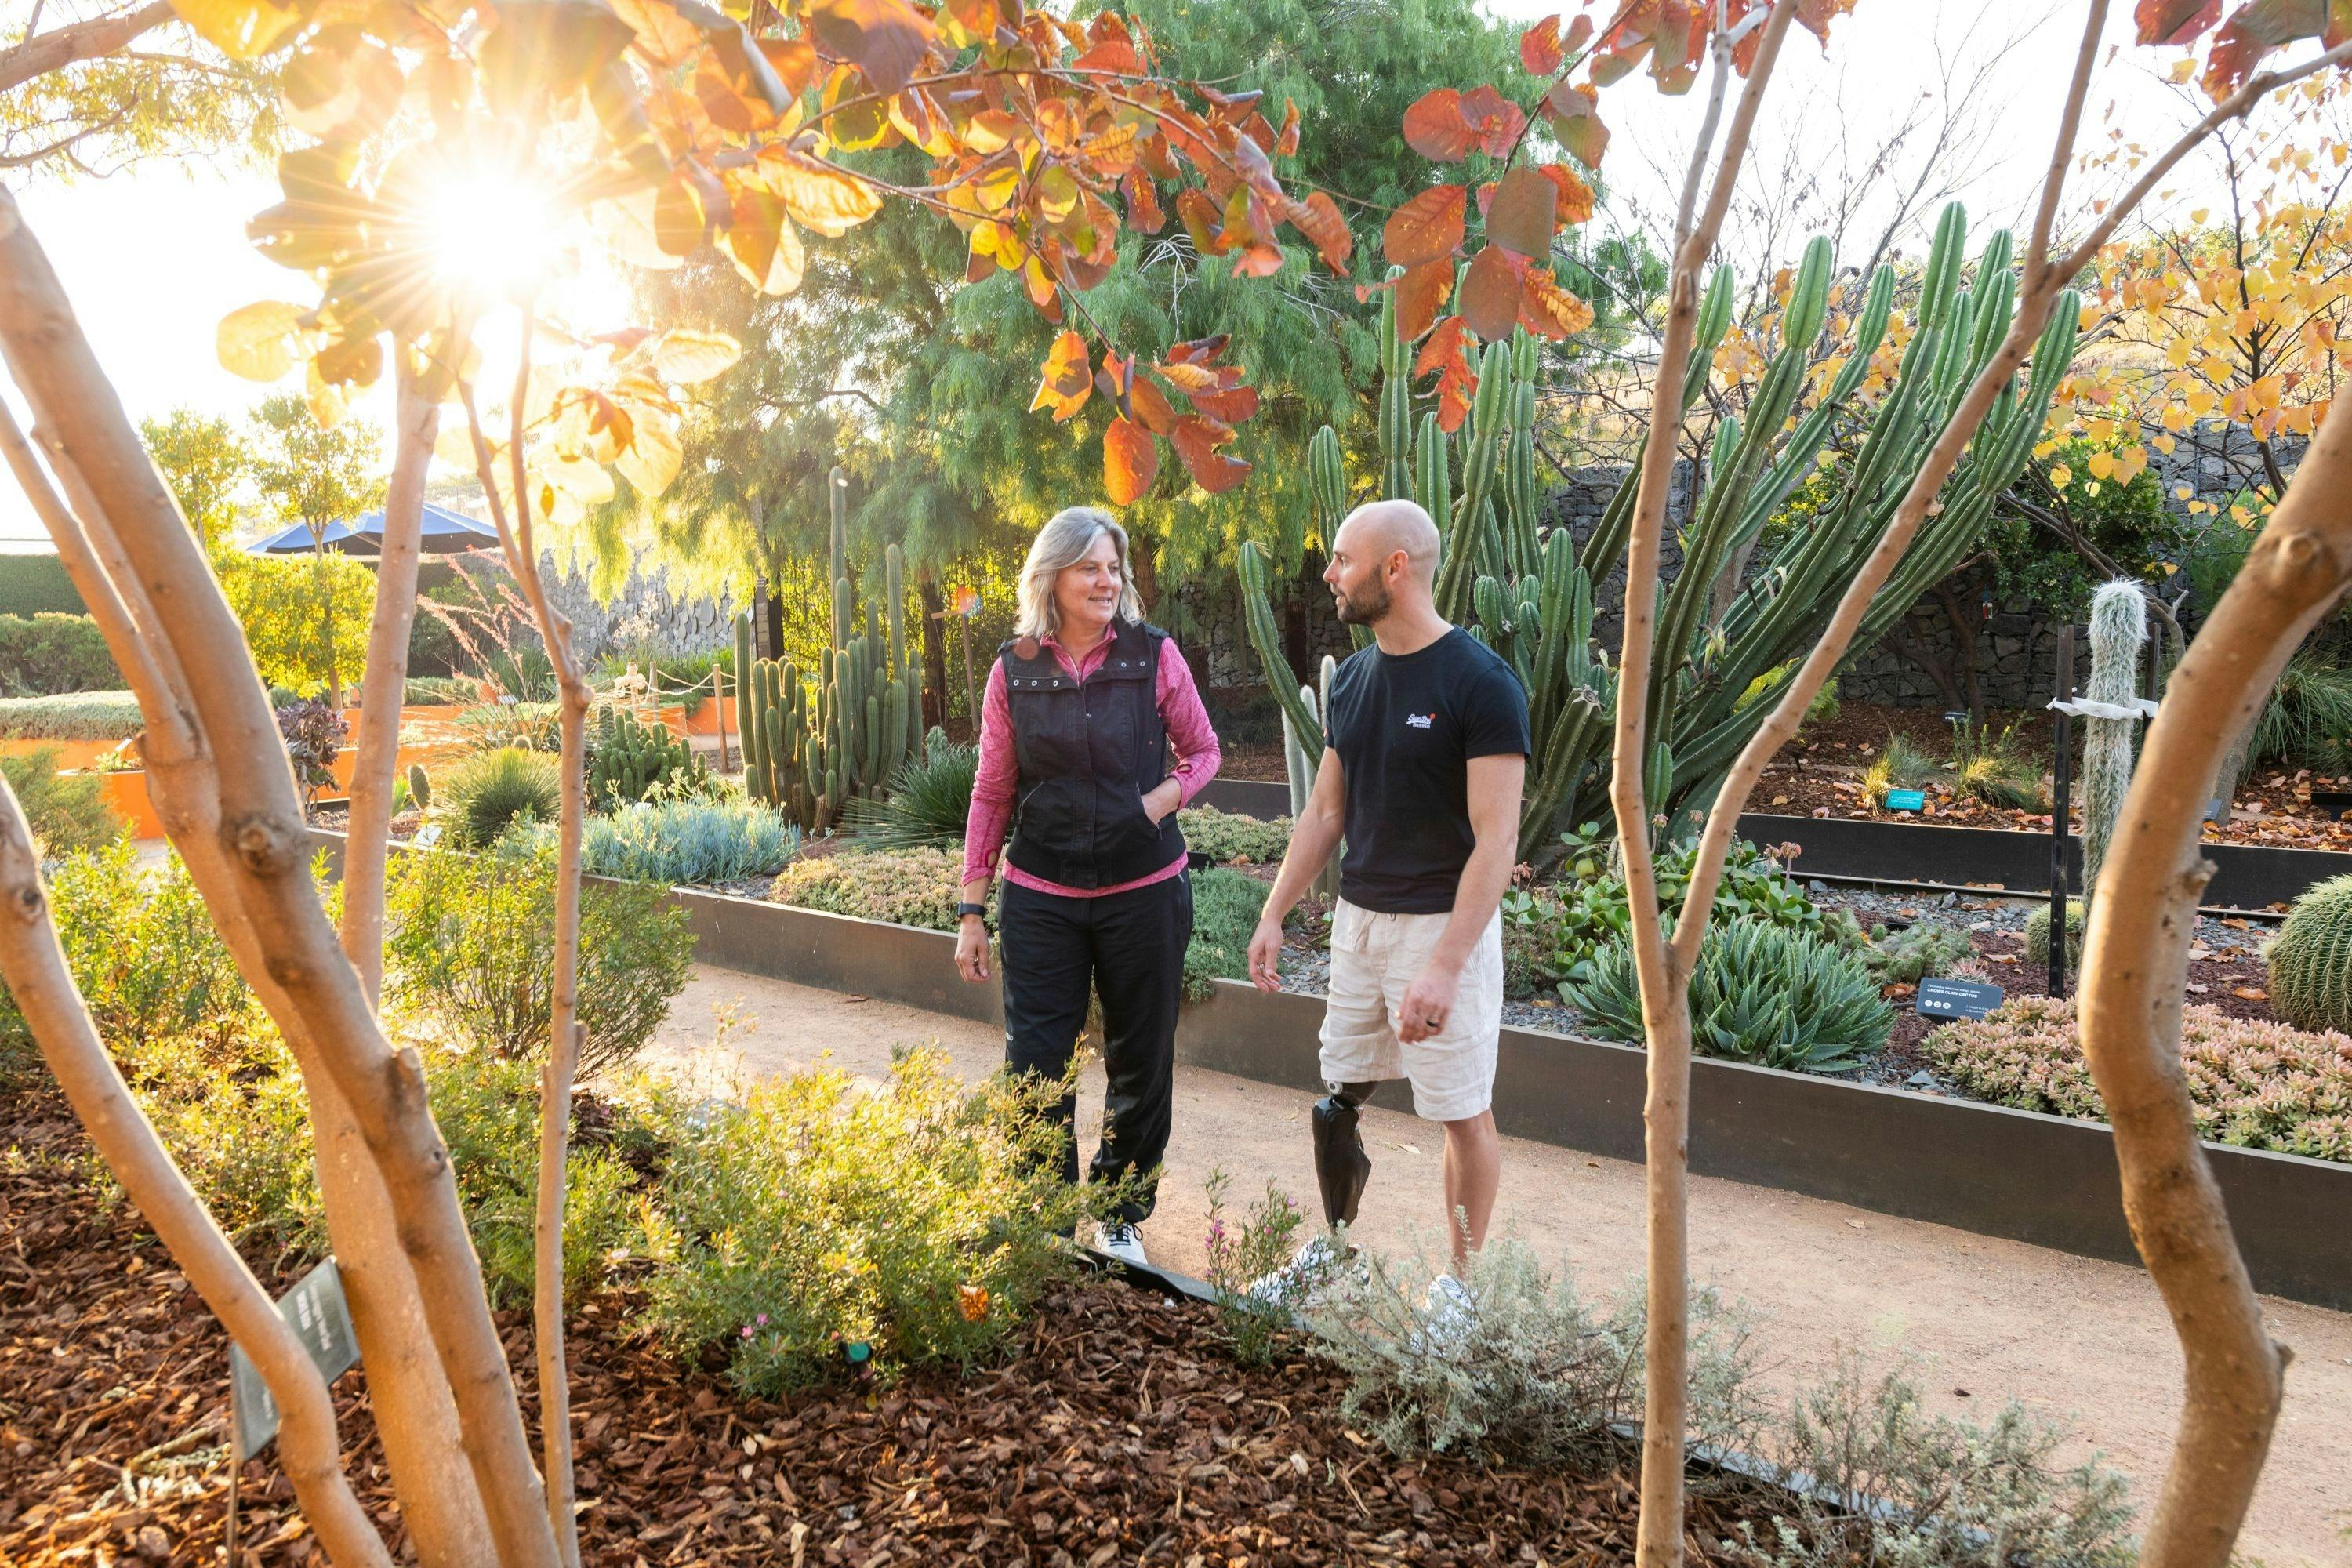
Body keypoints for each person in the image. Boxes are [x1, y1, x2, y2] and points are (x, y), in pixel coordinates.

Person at [1246, 499, 1529, 1305]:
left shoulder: (1480, 682)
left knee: (1461, 1111)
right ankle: (1334, 1251)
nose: (1331, 574)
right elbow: (1327, 810)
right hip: (1360, 923)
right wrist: (1275, 911)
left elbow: (1496, 841)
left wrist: (1444, 966)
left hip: (1443, 926)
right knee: (1338, 1101)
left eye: (1343, 559)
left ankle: (1460, 1291)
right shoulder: (1360, 678)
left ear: (1394, 568)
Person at [955, 505, 1221, 1267]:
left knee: (1142, 1056)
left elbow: (1202, 752)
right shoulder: (1014, 668)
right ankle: (1043, 1217)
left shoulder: (1153, 655)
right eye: (1090, 568)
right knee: (1036, 1058)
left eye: (1114, 568)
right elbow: (991, 790)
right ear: (1054, 576)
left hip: (1146, 890)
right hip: (1042, 895)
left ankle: (1117, 1213)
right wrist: (972, 908)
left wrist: (1157, 801)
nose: (1107, 581)